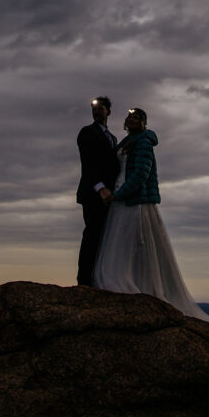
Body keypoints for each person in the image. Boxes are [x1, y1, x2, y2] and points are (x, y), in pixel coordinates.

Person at [93, 107, 209, 323]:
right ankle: (125, 281)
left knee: (134, 241)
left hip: (134, 199)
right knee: (122, 242)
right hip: (121, 197)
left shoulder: (143, 142)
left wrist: (120, 194)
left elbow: (142, 173)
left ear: (144, 123)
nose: (132, 120)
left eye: (137, 117)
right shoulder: (125, 142)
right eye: (130, 117)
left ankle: (138, 284)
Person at [76, 96, 120, 286]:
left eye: (100, 108)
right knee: (92, 235)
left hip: (110, 196)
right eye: (93, 108)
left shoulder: (113, 138)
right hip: (93, 193)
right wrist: (100, 187)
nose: (96, 111)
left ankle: (97, 279)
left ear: (108, 111)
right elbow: (88, 163)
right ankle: (84, 282)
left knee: (103, 237)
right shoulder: (87, 132)